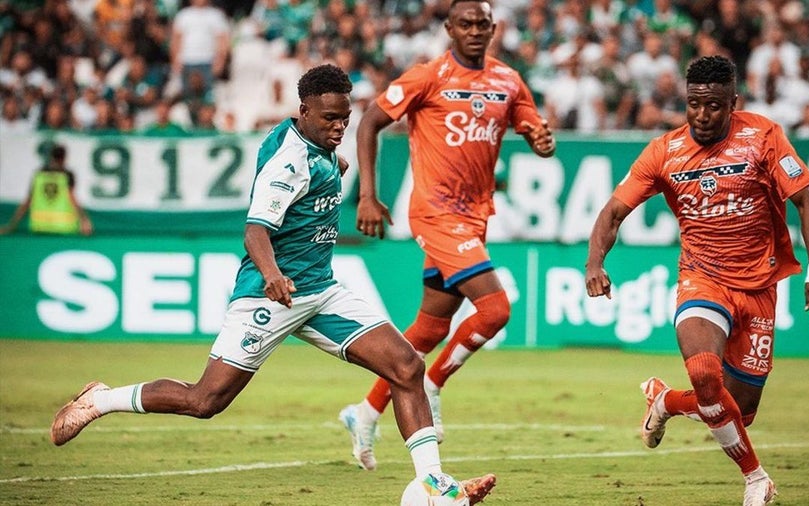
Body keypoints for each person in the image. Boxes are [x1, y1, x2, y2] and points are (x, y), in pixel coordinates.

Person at [48, 64, 496, 504]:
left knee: (406, 367)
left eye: (345, 118)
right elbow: (255, 231)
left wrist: (333, 167)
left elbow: (321, 165)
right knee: (205, 400)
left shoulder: (314, 145)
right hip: (272, 295)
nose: (340, 127)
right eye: (330, 119)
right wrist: (272, 275)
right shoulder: (289, 163)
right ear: (304, 111)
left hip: (320, 292)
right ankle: (101, 400)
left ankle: (433, 485)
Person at [584, 55, 809, 506]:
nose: (702, 115)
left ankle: (665, 401)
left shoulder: (763, 136)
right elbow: (613, 212)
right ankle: (757, 479)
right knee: (705, 374)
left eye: (714, 106)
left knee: (738, 411)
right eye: (694, 104)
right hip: (701, 279)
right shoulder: (664, 152)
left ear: (732, 103)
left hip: (759, 285)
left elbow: (807, 200)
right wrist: (594, 263)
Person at [340, 0, 556, 472]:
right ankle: (433, 384)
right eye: (466, 23)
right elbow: (371, 121)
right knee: (495, 309)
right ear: (449, 28)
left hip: (474, 216)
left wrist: (543, 141)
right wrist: (367, 196)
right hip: (435, 212)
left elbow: (534, 130)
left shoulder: (508, 80)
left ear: (494, 29)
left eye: (482, 24)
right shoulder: (428, 76)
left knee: (430, 329)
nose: (475, 30)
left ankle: (364, 412)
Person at [1, 143, 93, 236]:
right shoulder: (67, 175)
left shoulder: (39, 174)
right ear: (64, 158)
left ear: (51, 157)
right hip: (63, 227)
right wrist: (84, 220)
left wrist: (11, 225)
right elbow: (72, 199)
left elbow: (28, 201)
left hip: (39, 226)